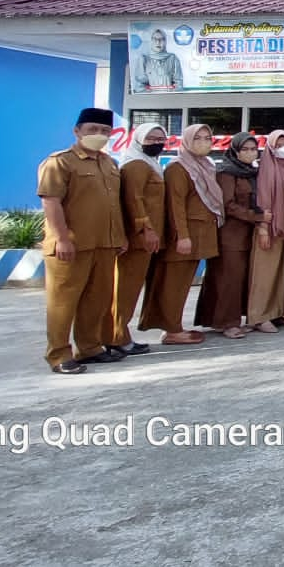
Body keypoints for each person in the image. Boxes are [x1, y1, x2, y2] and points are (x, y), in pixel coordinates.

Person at [36, 107, 126, 374]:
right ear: (77, 131)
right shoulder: (60, 162)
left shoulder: (109, 163)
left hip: (104, 244)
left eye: (105, 131)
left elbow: (113, 204)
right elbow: (51, 202)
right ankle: (59, 354)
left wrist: (119, 236)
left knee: (97, 300)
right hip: (72, 245)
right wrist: (62, 238)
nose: (99, 135)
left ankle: (90, 348)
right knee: (63, 301)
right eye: (92, 130)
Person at [139, 124, 220, 346]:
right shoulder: (178, 168)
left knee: (183, 284)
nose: (204, 142)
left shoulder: (204, 165)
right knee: (172, 285)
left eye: (207, 138)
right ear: (186, 141)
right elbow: (176, 207)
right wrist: (182, 236)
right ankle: (171, 330)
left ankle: (175, 326)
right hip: (185, 238)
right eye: (198, 138)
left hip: (200, 235)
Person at [195, 131, 262, 338]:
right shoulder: (226, 172)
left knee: (238, 279)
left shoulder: (250, 172)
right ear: (235, 150)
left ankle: (226, 319)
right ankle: (227, 322)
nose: (250, 153)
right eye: (245, 149)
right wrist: (256, 217)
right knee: (228, 279)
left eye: (253, 149)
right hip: (230, 235)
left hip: (247, 235)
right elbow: (228, 205)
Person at [106, 122, 165, 357]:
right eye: (151, 138)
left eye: (161, 138)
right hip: (139, 238)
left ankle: (121, 333)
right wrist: (146, 230)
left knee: (131, 289)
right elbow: (134, 200)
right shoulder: (137, 165)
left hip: (146, 238)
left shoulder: (149, 163)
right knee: (125, 289)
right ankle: (116, 335)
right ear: (139, 139)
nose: (157, 143)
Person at [250, 129, 284, 333]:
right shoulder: (266, 168)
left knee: (282, 273)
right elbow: (262, 200)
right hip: (270, 226)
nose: (283, 149)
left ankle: (277, 312)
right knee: (265, 273)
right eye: (278, 145)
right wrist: (263, 229)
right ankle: (259, 316)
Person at [132, 27, 183, 92]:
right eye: (155, 39)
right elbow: (140, 87)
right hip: (150, 100)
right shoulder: (144, 59)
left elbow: (179, 85)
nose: (158, 42)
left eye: (162, 39)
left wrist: (170, 93)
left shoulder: (173, 59)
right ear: (151, 41)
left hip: (170, 99)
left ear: (165, 41)